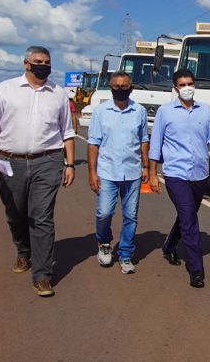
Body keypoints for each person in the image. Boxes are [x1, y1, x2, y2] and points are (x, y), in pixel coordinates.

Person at [0, 46, 75, 297]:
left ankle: (42, 275)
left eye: (47, 61)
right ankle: (23, 251)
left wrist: (70, 164)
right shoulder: (5, 90)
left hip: (47, 161)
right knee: (15, 213)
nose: (43, 65)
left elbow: (67, 132)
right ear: (26, 64)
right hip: (10, 163)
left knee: (41, 217)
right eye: (38, 61)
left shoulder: (59, 94)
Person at [148, 69, 210, 288]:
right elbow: (156, 143)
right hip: (175, 173)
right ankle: (196, 269)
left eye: (190, 83)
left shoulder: (205, 110)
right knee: (189, 219)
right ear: (175, 88)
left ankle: (169, 245)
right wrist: (153, 174)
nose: (186, 88)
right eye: (182, 85)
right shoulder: (165, 112)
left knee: (188, 215)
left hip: (199, 173)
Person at [87, 71, 149, 274]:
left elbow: (143, 140)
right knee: (104, 213)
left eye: (124, 86)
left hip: (132, 171)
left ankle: (125, 254)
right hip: (107, 171)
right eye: (116, 86)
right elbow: (94, 143)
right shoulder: (101, 111)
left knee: (131, 216)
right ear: (110, 87)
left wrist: (146, 166)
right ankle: (104, 242)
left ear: (131, 88)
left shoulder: (139, 111)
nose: (120, 90)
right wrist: (92, 172)